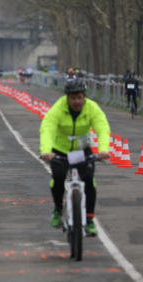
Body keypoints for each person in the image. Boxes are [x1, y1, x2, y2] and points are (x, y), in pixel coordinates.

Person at [39, 79, 110, 237]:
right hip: (61, 151)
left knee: (89, 180)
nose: (76, 101)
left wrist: (103, 150)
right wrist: (46, 151)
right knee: (58, 177)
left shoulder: (92, 108)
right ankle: (58, 209)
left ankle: (89, 220)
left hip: (82, 151)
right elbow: (48, 128)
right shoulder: (58, 108)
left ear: (84, 96)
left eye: (79, 97)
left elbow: (102, 128)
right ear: (67, 98)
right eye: (72, 98)